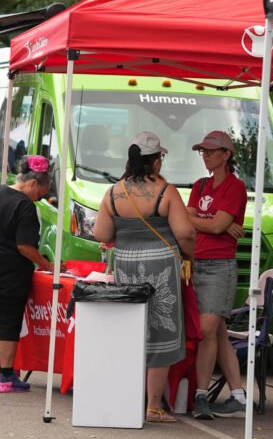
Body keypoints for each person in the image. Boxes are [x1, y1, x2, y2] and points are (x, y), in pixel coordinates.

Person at [93, 131, 195, 423]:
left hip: (126, 265)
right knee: (161, 331)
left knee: (130, 330)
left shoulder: (113, 193)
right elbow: (185, 232)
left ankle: (127, 400)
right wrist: (189, 255)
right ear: (156, 161)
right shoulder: (166, 191)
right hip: (162, 267)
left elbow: (101, 233)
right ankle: (153, 406)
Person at [0, 155, 54, 393]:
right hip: (9, 273)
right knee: (8, 322)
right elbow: (25, 246)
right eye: (41, 193)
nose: (40, 198)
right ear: (33, 183)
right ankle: (7, 375)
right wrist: (46, 264)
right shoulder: (24, 206)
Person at [186, 130, 248, 420]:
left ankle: (201, 395)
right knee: (218, 334)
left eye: (211, 151)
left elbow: (214, 226)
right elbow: (192, 220)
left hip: (220, 266)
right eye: (204, 152)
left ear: (226, 155)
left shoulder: (235, 187)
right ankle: (238, 396)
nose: (206, 156)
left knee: (207, 331)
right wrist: (215, 222)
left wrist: (208, 222)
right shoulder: (200, 185)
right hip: (196, 263)